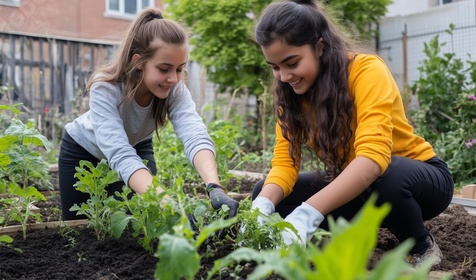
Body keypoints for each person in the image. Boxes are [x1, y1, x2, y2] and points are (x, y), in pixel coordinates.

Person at [249, 0, 454, 267]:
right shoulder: (290, 96)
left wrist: (309, 211)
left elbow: (372, 159)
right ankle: (314, 240)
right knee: (264, 192)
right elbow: (285, 164)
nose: (284, 76)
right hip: (361, 185)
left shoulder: (365, 70)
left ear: (319, 47)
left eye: (292, 63)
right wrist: (262, 206)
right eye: (275, 67)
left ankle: (421, 247)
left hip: (418, 182)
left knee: (384, 176)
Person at [58, 8, 238, 223]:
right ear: (138, 61)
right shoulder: (106, 88)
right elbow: (120, 153)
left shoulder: (174, 89)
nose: (173, 78)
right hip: (82, 152)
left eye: (179, 69)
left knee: (139, 224)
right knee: (77, 229)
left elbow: (194, 134)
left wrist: (214, 187)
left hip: (137, 147)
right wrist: (170, 205)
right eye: (164, 69)